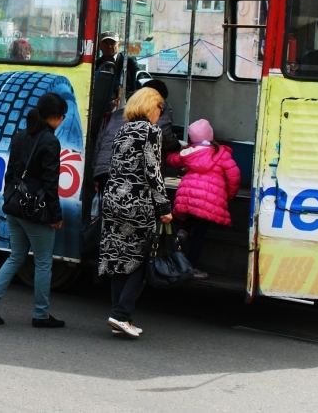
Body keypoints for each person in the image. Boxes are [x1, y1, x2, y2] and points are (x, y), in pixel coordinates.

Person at [0, 92, 69, 329]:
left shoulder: (20, 136)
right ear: (56, 117)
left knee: (16, 256)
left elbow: (10, 174)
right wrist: (56, 215)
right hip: (35, 211)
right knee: (42, 262)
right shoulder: (50, 141)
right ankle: (41, 314)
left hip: (15, 206)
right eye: (62, 117)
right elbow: (50, 182)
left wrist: (9, 199)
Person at [98, 86, 172, 339]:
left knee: (120, 259)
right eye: (160, 108)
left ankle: (121, 316)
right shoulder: (151, 131)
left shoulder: (124, 129)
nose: (160, 114)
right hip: (136, 204)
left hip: (112, 201)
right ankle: (120, 314)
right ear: (151, 106)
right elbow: (153, 171)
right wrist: (164, 207)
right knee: (141, 259)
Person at [167, 119, 240, 280]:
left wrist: (172, 151)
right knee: (200, 232)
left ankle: (183, 230)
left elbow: (172, 160)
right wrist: (229, 196)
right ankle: (191, 267)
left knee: (191, 211)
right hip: (210, 198)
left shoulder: (189, 152)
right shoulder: (221, 153)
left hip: (188, 193)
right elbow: (234, 177)